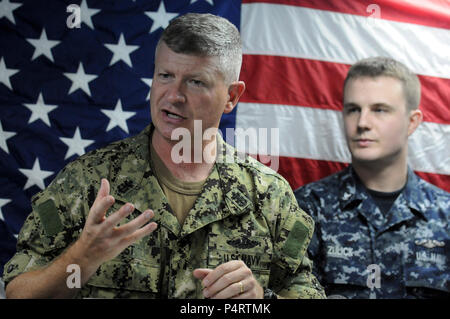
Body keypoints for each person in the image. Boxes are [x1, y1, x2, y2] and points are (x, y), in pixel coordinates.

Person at [3, 13, 325, 299]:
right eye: (165, 76)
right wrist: (81, 259)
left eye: (195, 82)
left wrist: (259, 300)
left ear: (231, 96)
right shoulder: (87, 182)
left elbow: (304, 288)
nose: (173, 96)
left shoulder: (269, 196)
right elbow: (17, 291)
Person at [294, 57, 449, 299]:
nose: (362, 123)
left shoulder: (445, 215)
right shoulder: (306, 207)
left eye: (379, 110)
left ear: (412, 122)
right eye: (353, 109)